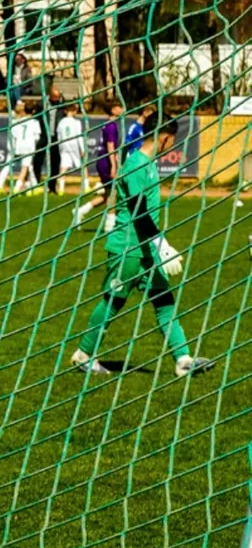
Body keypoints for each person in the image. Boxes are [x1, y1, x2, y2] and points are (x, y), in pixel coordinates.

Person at [70, 118, 213, 378]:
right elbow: (138, 210)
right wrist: (163, 244)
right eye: (173, 141)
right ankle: (84, 354)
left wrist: (157, 245)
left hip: (146, 248)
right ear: (165, 137)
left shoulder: (147, 164)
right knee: (114, 300)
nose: (172, 146)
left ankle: (182, 359)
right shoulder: (136, 164)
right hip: (128, 248)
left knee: (164, 300)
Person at [76, 101, 124, 225]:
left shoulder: (108, 124)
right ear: (113, 110)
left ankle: (81, 211)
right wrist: (113, 166)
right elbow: (110, 146)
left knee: (109, 193)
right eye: (119, 107)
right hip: (106, 161)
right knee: (113, 193)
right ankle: (110, 225)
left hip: (102, 160)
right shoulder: (111, 126)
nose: (122, 109)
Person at [0, 99, 42, 194]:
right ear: (34, 111)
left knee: (28, 167)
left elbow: (15, 135)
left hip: (18, 146)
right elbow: (37, 137)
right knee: (25, 168)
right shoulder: (34, 122)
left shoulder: (18, 121)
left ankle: (34, 186)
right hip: (29, 147)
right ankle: (17, 187)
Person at [56, 101, 89, 196]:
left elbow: (59, 136)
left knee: (64, 166)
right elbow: (79, 136)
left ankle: (61, 189)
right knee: (83, 165)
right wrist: (82, 149)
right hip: (74, 144)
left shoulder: (61, 122)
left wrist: (60, 148)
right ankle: (86, 187)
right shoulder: (76, 122)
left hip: (64, 144)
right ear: (75, 111)